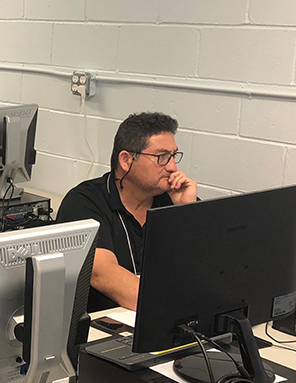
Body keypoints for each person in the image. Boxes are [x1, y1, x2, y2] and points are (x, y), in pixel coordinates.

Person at [56, 112, 197, 312]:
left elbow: (205, 271)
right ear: (126, 160)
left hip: (163, 319)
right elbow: (103, 274)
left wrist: (185, 212)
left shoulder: (173, 199)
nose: (173, 167)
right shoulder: (84, 202)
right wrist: (177, 307)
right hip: (102, 329)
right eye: (162, 157)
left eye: (173, 156)